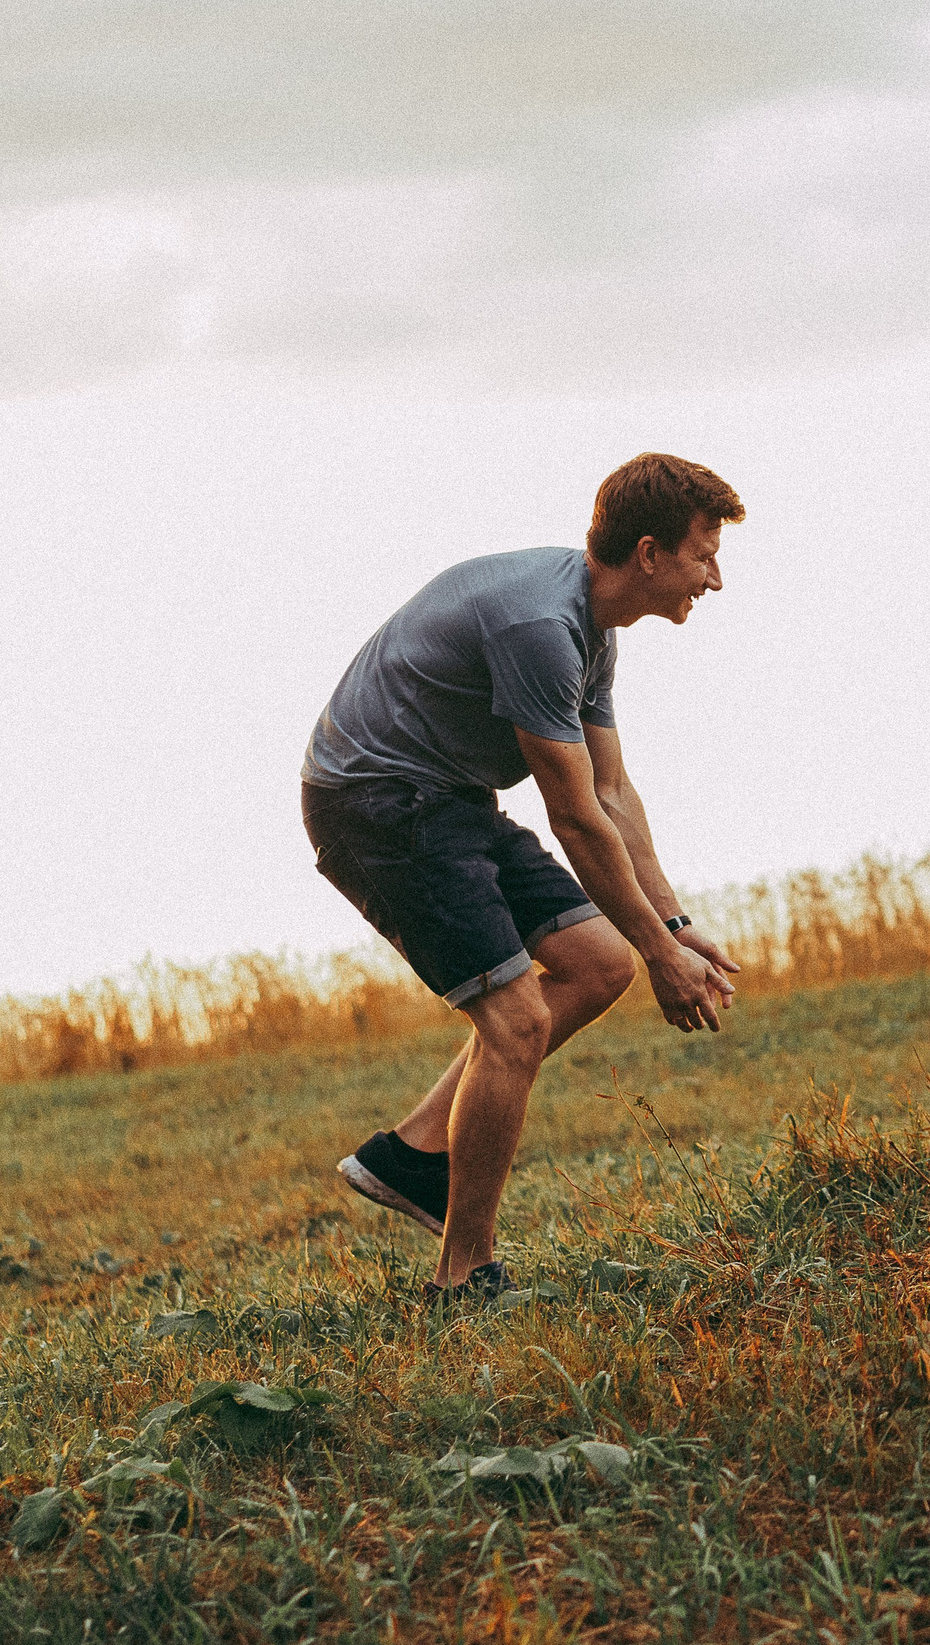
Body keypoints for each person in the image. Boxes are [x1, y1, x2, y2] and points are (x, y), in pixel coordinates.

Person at [300, 452, 747, 1302]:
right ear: (649, 554)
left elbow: (611, 794)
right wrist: (664, 958)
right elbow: (573, 819)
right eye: (705, 555)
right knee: (515, 1022)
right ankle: (463, 1277)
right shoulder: (539, 627)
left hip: (447, 799)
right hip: (378, 804)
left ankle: (413, 1153)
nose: (715, 579)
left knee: (599, 963)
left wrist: (672, 929)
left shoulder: (590, 629)